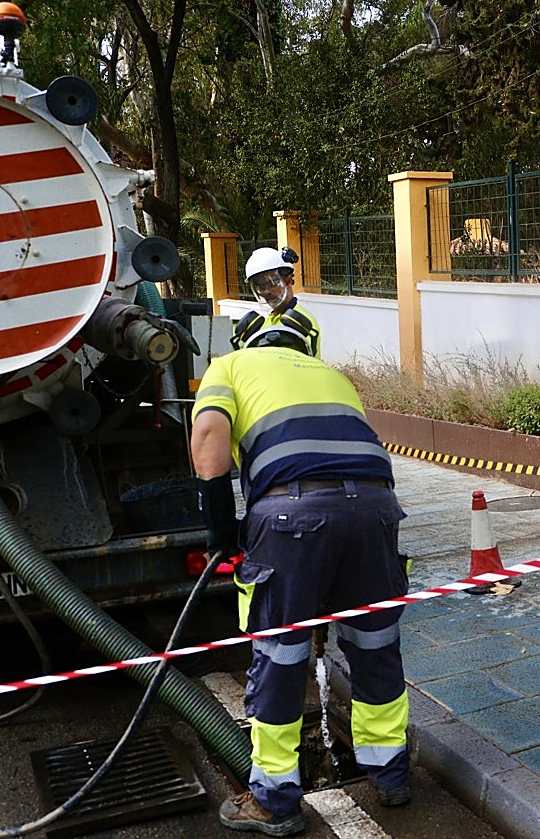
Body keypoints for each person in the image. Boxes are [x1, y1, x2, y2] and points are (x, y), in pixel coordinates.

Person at [192, 316, 409, 837]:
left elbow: (209, 438)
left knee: (281, 654)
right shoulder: (331, 374)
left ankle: (273, 802)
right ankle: (391, 775)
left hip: (292, 514)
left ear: (246, 343)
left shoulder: (228, 365)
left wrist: (221, 531)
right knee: (375, 643)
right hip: (376, 509)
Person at [238, 247, 322, 358]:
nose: (266, 291)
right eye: (261, 287)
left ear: (288, 280)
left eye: (271, 283)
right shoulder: (265, 322)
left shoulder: (300, 321)